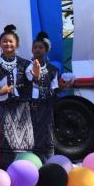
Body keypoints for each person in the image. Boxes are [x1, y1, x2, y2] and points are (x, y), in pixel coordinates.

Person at [0, 24, 33, 168]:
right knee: (7, 136)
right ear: (0, 44)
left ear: (17, 44)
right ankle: (7, 170)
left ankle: (25, 169)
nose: (8, 44)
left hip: (22, 104)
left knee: (25, 137)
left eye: (11, 41)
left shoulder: (26, 63)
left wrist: (36, 73)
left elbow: (32, 78)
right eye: (4, 41)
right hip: (4, 104)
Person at [27, 31, 61, 162]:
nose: (37, 49)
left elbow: (54, 88)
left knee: (46, 133)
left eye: (40, 47)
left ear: (46, 50)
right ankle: (30, 161)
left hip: (46, 106)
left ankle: (47, 161)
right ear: (32, 49)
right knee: (29, 132)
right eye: (35, 47)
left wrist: (63, 87)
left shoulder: (53, 69)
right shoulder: (25, 66)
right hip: (28, 105)